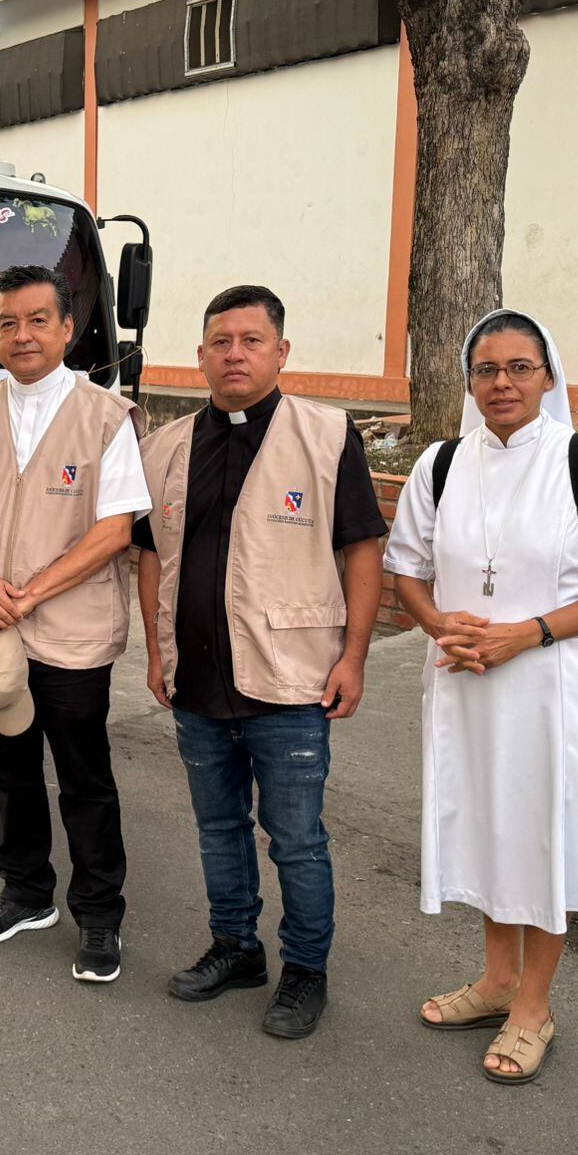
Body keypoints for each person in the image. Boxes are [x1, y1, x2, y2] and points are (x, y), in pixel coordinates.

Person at [384, 309, 578, 1084]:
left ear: (548, 375)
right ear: (469, 380)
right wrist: (439, 624)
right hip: (466, 682)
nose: (502, 383)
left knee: (546, 833)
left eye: (520, 368)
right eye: (486, 369)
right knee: (490, 826)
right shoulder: (442, 463)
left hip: (552, 688)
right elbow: (406, 566)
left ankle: (534, 1004)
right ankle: (497, 979)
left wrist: (524, 634)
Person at [135, 285, 385, 1039]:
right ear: (201, 354)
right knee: (218, 829)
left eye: (250, 339)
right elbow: (150, 556)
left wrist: (355, 658)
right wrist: (157, 650)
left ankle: (305, 970)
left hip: (292, 681)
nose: (234, 353)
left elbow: (363, 551)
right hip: (198, 682)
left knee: (298, 839)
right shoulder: (168, 447)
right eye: (221, 340)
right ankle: (235, 946)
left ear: (281, 351)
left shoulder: (325, 435)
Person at [0, 264, 150, 983]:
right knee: (10, 770)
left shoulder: (104, 417)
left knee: (84, 778)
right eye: (7, 323)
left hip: (72, 635)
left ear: (66, 328)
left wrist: (26, 595)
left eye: (36, 320)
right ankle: (26, 893)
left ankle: (99, 915)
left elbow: (115, 531)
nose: (21, 335)